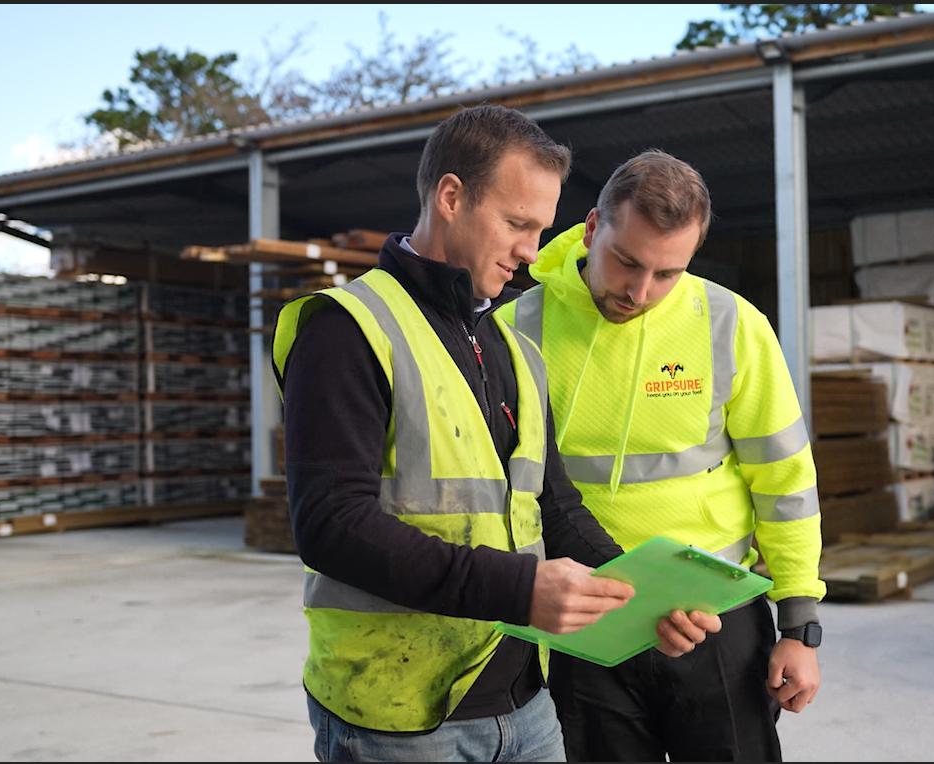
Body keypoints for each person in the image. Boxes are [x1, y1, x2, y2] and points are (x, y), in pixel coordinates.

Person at [271, 105, 712, 763]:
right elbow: (331, 524)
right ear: (451, 197)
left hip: (525, 707)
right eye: (516, 224)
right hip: (399, 718)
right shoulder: (346, 330)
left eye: (541, 230)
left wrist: (644, 598)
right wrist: (521, 589)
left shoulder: (510, 344)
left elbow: (554, 510)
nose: (532, 252)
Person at [495, 149, 826, 762]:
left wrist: (800, 625)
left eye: (668, 273)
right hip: (584, 626)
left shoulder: (730, 324)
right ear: (593, 229)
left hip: (716, 618)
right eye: (626, 262)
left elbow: (784, 481)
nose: (641, 291)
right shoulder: (516, 329)